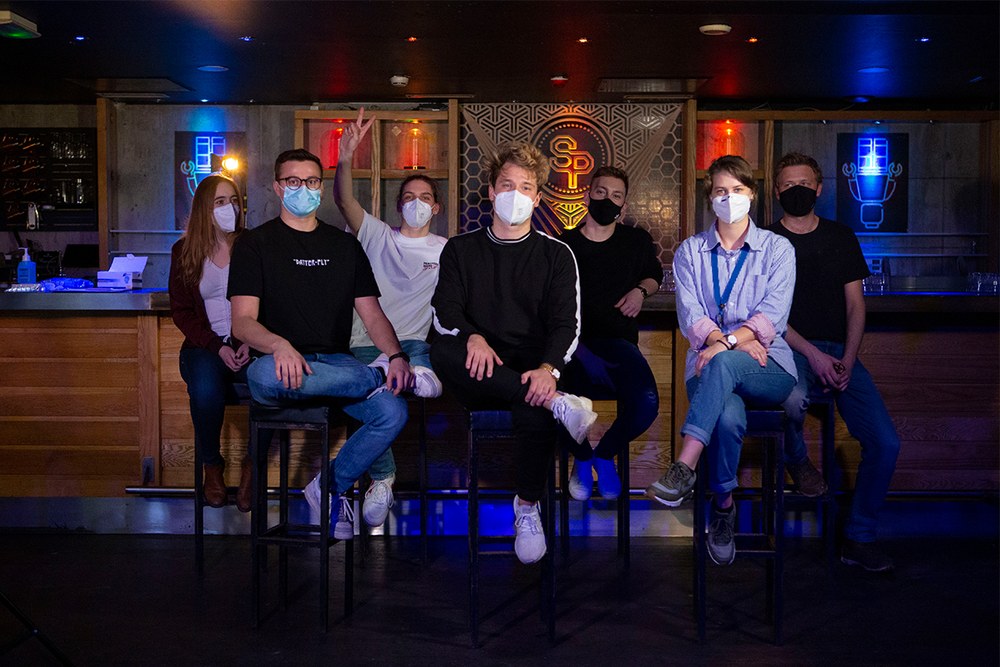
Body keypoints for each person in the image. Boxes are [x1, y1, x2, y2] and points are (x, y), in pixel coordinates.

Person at [229, 148, 411, 541]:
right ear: (278, 187)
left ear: (321, 187)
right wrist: (279, 345)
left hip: (335, 364)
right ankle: (371, 378)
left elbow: (372, 315)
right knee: (265, 375)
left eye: (311, 181)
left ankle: (327, 486)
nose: (304, 189)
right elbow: (241, 322)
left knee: (393, 412)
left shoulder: (345, 246)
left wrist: (396, 356)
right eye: (294, 181)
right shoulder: (255, 244)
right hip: (277, 367)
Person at [430, 141, 598, 565]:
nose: (515, 195)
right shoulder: (460, 249)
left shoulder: (557, 254)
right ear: (491, 191)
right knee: (443, 350)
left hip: (531, 365)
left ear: (538, 198)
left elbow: (567, 325)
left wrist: (549, 368)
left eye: (526, 187)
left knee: (535, 403)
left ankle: (526, 507)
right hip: (478, 367)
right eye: (507, 185)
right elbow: (444, 312)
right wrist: (472, 336)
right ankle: (558, 402)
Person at [645, 154, 797, 566]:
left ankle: (684, 466)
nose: (729, 198)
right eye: (720, 191)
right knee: (727, 416)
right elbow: (691, 316)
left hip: (768, 366)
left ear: (753, 193)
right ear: (709, 198)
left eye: (738, 190)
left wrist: (724, 344)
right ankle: (724, 506)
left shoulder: (777, 249)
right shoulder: (691, 252)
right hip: (710, 362)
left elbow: (773, 316)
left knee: (721, 363)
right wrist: (729, 343)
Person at [769, 151, 900, 572]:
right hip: (789, 350)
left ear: (820, 188)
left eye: (805, 184)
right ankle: (797, 461)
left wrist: (846, 358)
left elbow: (856, 305)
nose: (798, 191)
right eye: (789, 185)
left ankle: (859, 538)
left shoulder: (841, 236)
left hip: (841, 353)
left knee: (886, 442)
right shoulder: (766, 241)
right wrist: (814, 355)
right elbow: (769, 316)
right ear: (776, 191)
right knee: (789, 400)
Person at [333, 108, 447, 530]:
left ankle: (421, 371)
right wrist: (346, 156)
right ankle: (383, 479)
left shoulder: (446, 250)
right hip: (365, 344)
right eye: (410, 197)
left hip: (412, 343)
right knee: (380, 402)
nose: (417, 203)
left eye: (425, 198)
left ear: (436, 207)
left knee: (410, 361)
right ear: (399, 205)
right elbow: (344, 201)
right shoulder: (377, 235)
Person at [559, 166, 662, 501]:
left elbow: (654, 275)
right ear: (587, 195)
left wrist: (640, 292)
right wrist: (578, 351)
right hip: (569, 347)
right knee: (546, 402)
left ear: (624, 205)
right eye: (601, 192)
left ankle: (604, 456)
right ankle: (581, 457)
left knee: (646, 403)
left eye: (616, 195)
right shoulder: (563, 244)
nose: (608, 200)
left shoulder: (636, 241)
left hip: (619, 344)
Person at [169, 174, 253, 511]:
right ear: (205, 208)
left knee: (274, 385)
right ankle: (212, 465)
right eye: (220, 202)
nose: (229, 208)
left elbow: (271, 300)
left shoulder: (253, 245)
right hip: (204, 346)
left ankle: (253, 467)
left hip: (250, 343)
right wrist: (218, 346)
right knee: (205, 390)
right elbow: (182, 312)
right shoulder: (184, 251)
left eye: (233, 201)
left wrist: (251, 342)